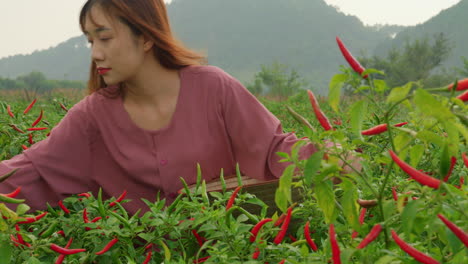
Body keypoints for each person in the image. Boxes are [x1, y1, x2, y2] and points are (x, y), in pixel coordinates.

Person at [0, 0, 322, 215]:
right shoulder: (91, 118)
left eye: (104, 38)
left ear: (146, 37)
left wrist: (333, 158)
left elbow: (276, 149)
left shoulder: (213, 89)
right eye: (90, 41)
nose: (95, 53)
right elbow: (28, 172)